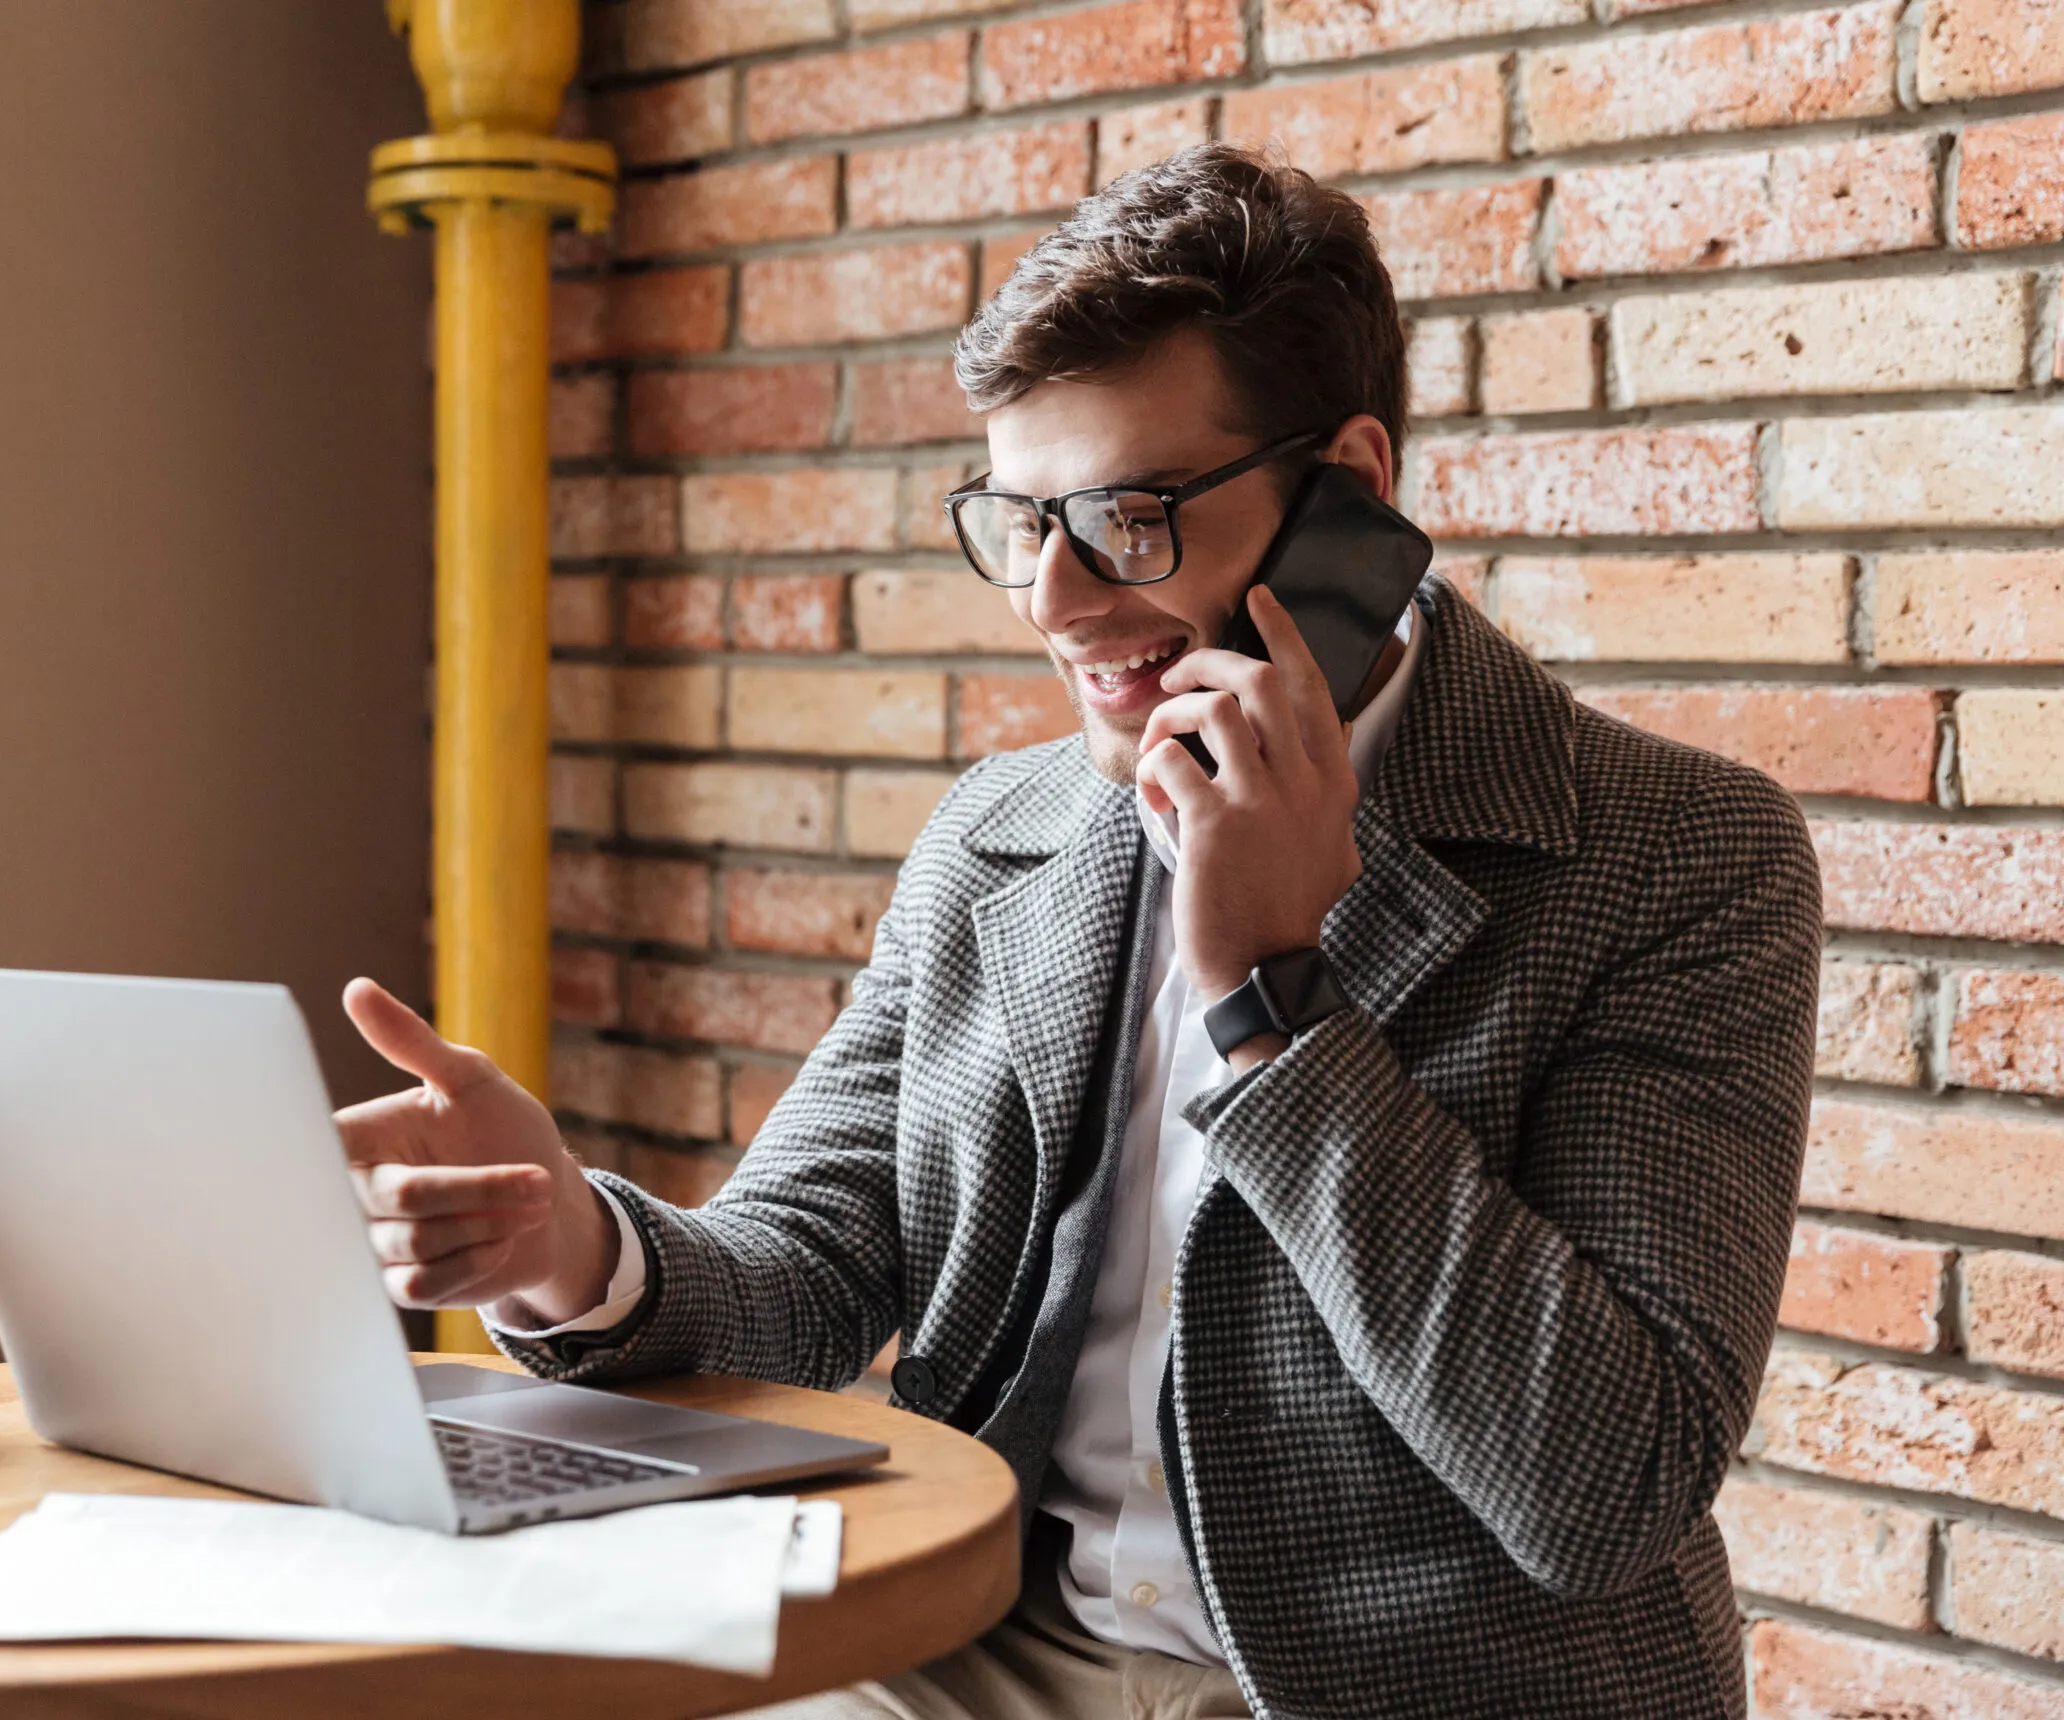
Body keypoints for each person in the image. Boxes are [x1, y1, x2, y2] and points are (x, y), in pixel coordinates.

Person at [333, 144, 1823, 1720]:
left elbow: (1601, 1486)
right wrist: (573, 1248)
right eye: (1017, 519)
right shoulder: (1005, 833)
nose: (1054, 596)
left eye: (1125, 513)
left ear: (1352, 493)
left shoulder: (1675, 855)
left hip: (1396, 1685)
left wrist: (1276, 1007)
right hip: (970, 1643)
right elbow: (812, 1265)